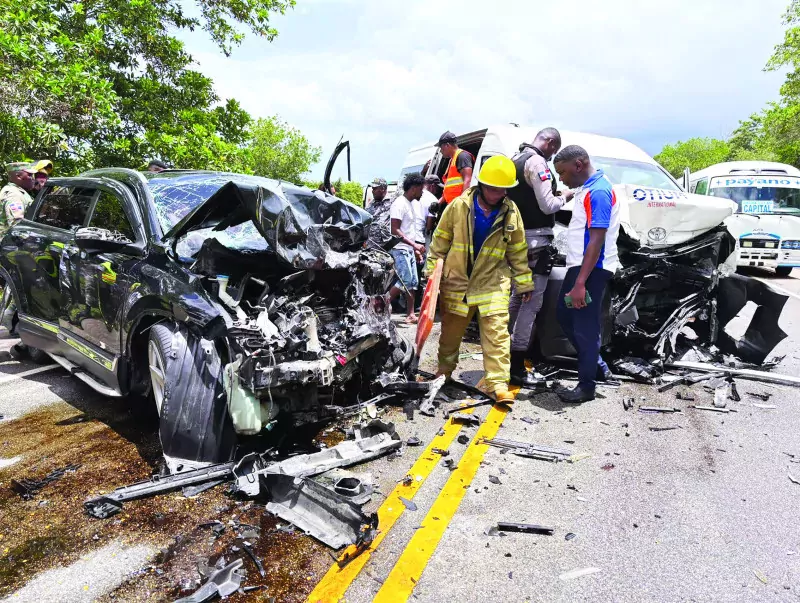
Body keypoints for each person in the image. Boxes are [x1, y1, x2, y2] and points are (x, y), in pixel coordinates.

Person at [426, 155, 533, 403]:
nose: (498, 194)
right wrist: (431, 277)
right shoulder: (458, 207)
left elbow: (518, 249)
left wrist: (524, 281)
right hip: (457, 283)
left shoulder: (511, 212)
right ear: (482, 184)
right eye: (493, 188)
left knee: (497, 335)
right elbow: (439, 242)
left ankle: (498, 384)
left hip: (492, 283)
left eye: (503, 189)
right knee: (450, 335)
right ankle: (444, 373)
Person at [552, 145, 621, 403]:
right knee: (565, 315)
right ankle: (597, 365)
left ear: (578, 165)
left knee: (585, 328)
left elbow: (596, 240)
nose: (561, 178)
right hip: (581, 268)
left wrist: (581, 282)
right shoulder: (589, 188)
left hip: (590, 270)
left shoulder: (599, 192)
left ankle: (586, 387)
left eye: (562, 172)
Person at [506, 128, 572, 387]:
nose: (553, 156)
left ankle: (504, 355)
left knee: (516, 299)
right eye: (554, 151)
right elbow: (548, 205)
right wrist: (564, 196)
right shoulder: (537, 162)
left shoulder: (514, 159)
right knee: (530, 305)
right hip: (535, 244)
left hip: (515, 242)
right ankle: (517, 367)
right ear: (551, 143)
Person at [388, 173, 425, 324]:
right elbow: (395, 230)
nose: (422, 192)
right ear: (414, 188)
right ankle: (381, 304)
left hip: (408, 249)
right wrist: (414, 245)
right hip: (400, 249)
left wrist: (414, 249)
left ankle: (410, 314)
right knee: (405, 279)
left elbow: (408, 230)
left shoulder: (410, 204)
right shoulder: (399, 204)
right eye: (421, 189)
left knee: (413, 282)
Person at [436, 131, 474, 204]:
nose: (440, 151)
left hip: (459, 204)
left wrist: (462, 203)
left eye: (441, 148)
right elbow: (449, 188)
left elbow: (467, 181)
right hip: (452, 204)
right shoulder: (452, 160)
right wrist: (438, 203)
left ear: (447, 145)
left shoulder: (462, 156)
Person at [0, 162, 36, 236]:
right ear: (18, 176)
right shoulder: (14, 195)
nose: (33, 178)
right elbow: (17, 226)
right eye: (30, 175)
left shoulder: (17, 191)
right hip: (9, 241)